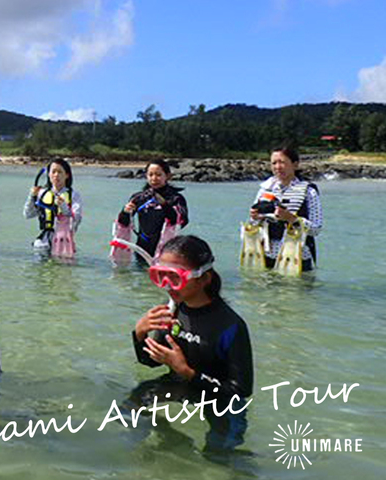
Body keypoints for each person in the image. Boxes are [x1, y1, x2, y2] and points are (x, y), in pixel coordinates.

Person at [128, 235, 253, 451]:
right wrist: (139, 333)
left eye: (175, 278)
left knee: (218, 457)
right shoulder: (172, 309)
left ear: (204, 278)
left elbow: (240, 390)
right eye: (161, 276)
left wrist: (187, 372)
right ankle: (170, 440)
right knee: (127, 410)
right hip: (179, 383)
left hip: (221, 399)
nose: (167, 286)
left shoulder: (231, 325)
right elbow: (150, 362)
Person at [248, 143, 322, 271]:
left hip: (297, 258)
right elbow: (253, 224)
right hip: (266, 257)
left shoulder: (309, 192)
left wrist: (292, 219)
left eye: (282, 162)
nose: (278, 167)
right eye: (274, 163)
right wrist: (255, 218)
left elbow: (316, 229)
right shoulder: (265, 189)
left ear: (295, 164)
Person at [116, 159, 189, 263]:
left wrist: (164, 205)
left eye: (158, 175)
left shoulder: (176, 199)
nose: (154, 178)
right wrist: (125, 212)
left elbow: (182, 221)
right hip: (142, 249)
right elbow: (124, 223)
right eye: (150, 175)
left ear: (167, 176)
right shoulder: (139, 198)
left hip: (166, 251)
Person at [23, 159, 82, 256]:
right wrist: (31, 196)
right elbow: (27, 214)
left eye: (60, 172)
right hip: (43, 243)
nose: (56, 175)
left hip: (63, 242)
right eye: (53, 172)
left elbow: (76, 219)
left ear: (67, 175)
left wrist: (63, 206)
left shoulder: (74, 195)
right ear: (49, 175)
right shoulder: (42, 193)